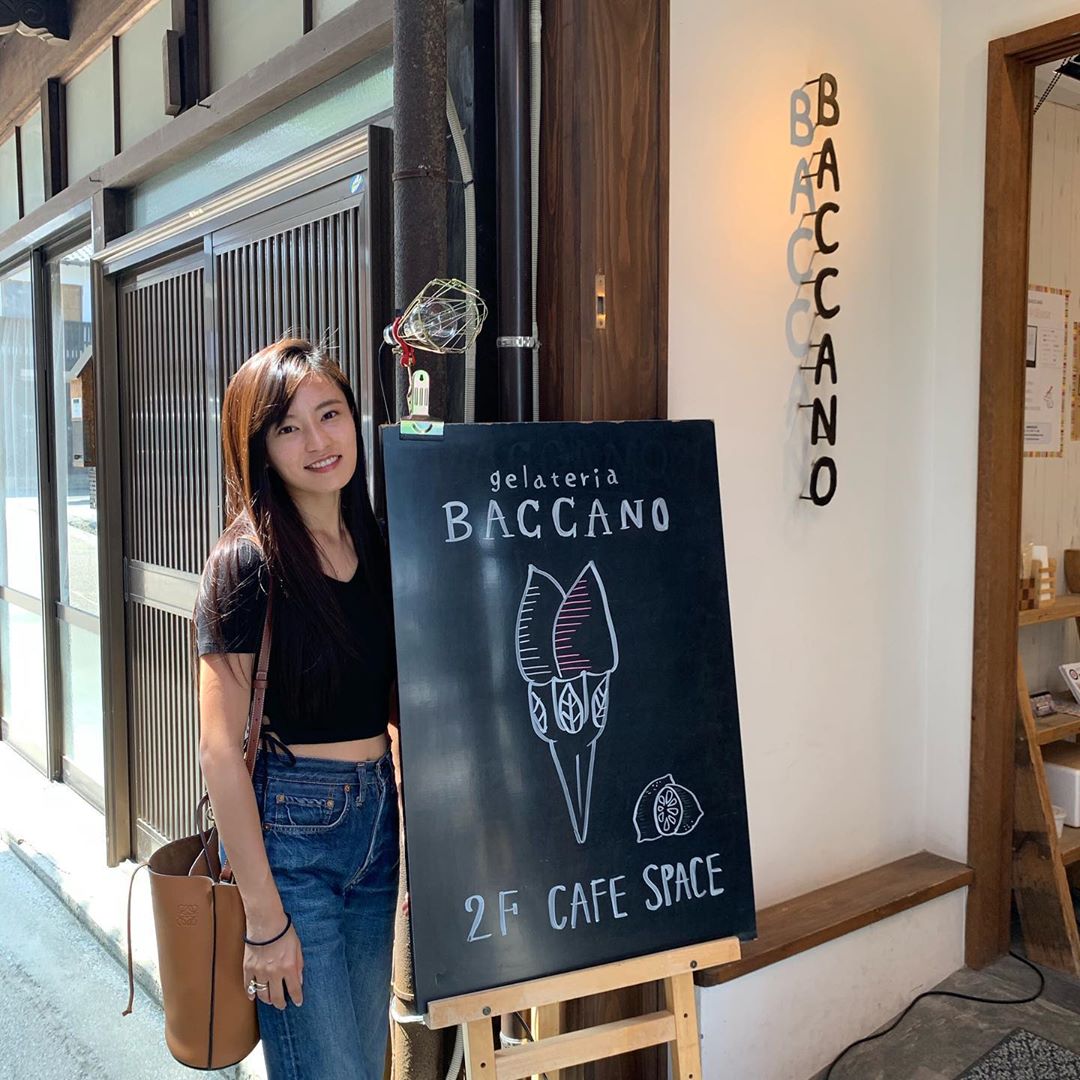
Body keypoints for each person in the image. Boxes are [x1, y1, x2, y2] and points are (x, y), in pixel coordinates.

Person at [193, 338, 399, 1080]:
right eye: (288, 427)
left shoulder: (375, 544)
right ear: (259, 448)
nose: (318, 441)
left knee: (363, 1063)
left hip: (378, 830)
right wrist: (263, 919)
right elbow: (220, 750)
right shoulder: (247, 562)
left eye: (330, 414)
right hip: (292, 837)